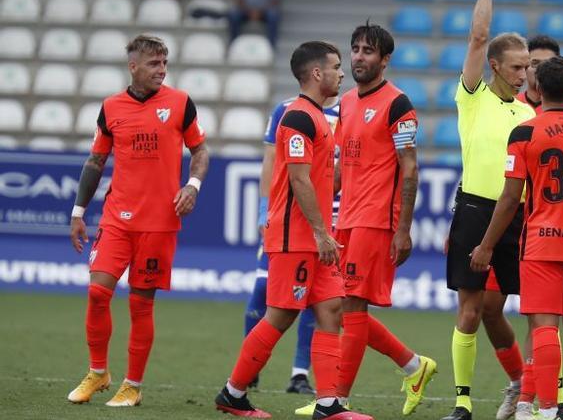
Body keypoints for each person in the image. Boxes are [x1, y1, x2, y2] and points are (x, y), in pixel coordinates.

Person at [213, 41, 371, 420]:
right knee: (281, 315)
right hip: (294, 238)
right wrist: (320, 232)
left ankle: (329, 405)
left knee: (331, 309)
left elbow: (318, 179)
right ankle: (233, 394)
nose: (341, 73)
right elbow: (299, 181)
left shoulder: (316, 118)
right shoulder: (299, 117)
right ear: (317, 73)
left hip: (313, 238)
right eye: (335, 66)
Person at [294, 22, 437, 417]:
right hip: (349, 218)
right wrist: (322, 211)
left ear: (385, 60)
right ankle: (413, 365)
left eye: (368, 51)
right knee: (340, 305)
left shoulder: (398, 105)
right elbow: (341, 167)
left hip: (377, 219)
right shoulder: (347, 103)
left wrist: (403, 229)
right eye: (355, 49)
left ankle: (336, 399)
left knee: (350, 306)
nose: (358, 56)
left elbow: (410, 168)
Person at [67, 34, 209, 407]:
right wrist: (78, 212)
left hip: (160, 221)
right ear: (134, 67)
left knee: (140, 304)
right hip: (117, 216)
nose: (161, 70)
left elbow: (200, 151)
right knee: (98, 292)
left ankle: (132, 385)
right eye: (153, 64)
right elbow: (96, 161)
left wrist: (192, 186)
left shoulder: (180, 103)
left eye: (164, 63)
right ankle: (99, 373)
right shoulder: (111, 107)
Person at [471, 56, 563, 420]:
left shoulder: (525, 133)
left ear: (538, 89)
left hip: (541, 241)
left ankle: (547, 409)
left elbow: (509, 198)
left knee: (545, 325)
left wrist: (487, 244)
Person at [442, 0, 536, 420]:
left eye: (528, 67)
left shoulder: (529, 113)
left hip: (519, 216)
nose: (525, 75)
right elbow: (478, 37)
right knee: (472, 310)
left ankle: (531, 390)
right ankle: (462, 401)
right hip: (476, 209)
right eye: (518, 67)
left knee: (525, 310)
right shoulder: (473, 96)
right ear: (496, 65)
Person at [242, 93, 341, 394]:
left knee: (322, 301)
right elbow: (271, 160)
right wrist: (263, 208)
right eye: (334, 67)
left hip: (330, 215)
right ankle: (249, 371)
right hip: (287, 220)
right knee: (264, 289)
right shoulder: (287, 110)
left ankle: (300, 375)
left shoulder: (347, 110)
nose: (340, 73)